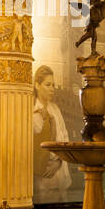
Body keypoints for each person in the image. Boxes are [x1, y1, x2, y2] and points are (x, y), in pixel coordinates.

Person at [32, 65, 71, 201]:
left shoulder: (55, 109)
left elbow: (65, 138)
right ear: (37, 85)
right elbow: (33, 146)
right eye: (48, 85)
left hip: (59, 170)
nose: (52, 89)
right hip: (44, 173)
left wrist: (59, 162)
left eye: (53, 85)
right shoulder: (31, 112)